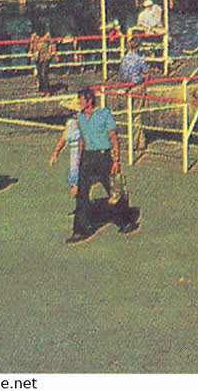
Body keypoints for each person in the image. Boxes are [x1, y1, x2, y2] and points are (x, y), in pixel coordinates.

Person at [69, 87, 137, 243]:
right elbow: (81, 140)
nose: (79, 103)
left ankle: (126, 221)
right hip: (88, 156)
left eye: (81, 100)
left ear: (90, 100)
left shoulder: (104, 114)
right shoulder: (79, 117)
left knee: (113, 191)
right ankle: (78, 231)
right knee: (82, 194)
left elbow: (113, 136)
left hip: (103, 156)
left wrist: (116, 160)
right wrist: (79, 160)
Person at [48, 99, 82, 197]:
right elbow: (63, 138)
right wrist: (55, 153)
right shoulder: (70, 123)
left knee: (78, 184)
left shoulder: (86, 124)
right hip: (74, 155)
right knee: (74, 183)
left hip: (83, 153)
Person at [28, 25, 56, 95]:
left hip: (46, 56)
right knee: (39, 73)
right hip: (38, 56)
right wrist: (31, 52)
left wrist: (53, 53)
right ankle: (41, 89)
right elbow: (31, 45)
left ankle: (47, 90)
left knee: (44, 73)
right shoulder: (34, 36)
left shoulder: (47, 35)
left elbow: (52, 44)